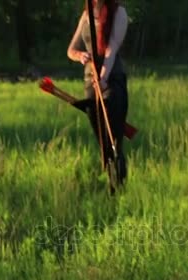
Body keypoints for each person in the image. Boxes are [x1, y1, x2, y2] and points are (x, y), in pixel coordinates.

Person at [67, 0, 129, 192]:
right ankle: (110, 178)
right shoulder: (86, 15)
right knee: (101, 137)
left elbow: (111, 49)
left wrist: (103, 78)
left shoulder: (119, 13)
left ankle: (117, 183)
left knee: (113, 135)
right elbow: (71, 50)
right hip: (90, 82)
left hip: (112, 80)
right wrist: (80, 56)